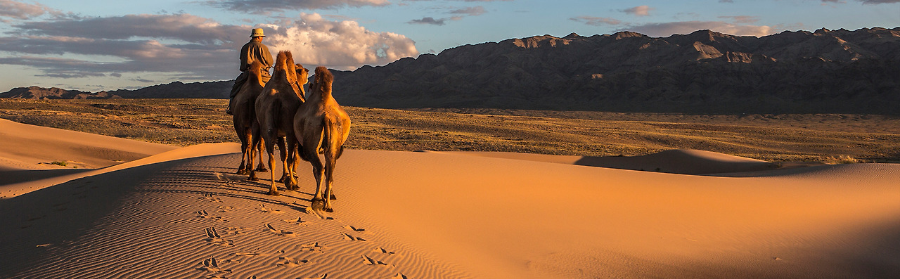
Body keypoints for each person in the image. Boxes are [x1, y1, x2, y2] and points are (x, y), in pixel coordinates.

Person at [226, 28, 274, 115]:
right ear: (259, 37)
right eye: (262, 37)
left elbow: (242, 62)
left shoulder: (245, 47)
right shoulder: (263, 47)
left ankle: (231, 107)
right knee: (274, 89)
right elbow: (270, 62)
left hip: (247, 74)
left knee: (235, 89)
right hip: (262, 75)